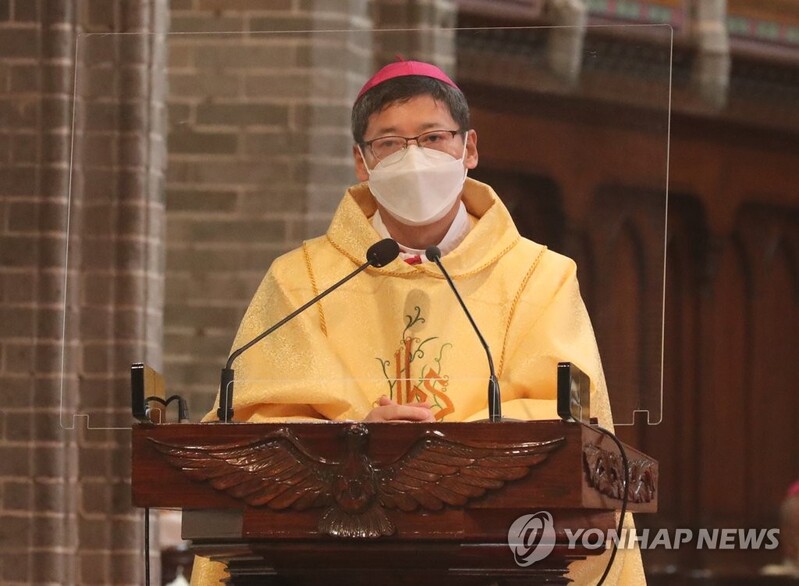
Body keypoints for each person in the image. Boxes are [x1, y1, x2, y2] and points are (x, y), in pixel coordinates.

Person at [190, 59, 645, 585]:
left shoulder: (538, 277)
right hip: (327, 564)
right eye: (388, 143)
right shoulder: (303, 279)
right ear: (362, 162)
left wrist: (440, 445)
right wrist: (356, 436)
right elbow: (250, 424)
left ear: (469, 148)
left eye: (432, 137)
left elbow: (573, 429)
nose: (413, 158)